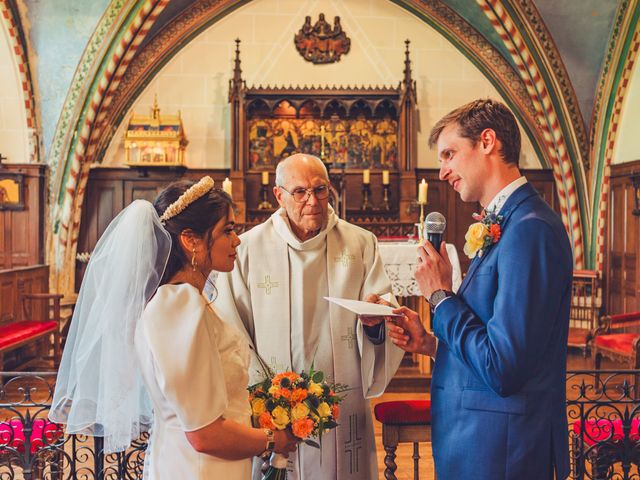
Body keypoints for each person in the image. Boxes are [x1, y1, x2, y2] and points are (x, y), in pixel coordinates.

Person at [50, 177, 297, 479]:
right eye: (228, 230)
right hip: (199, 467)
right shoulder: (178, 306)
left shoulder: (185, 299)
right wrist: (274, 440)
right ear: (191, 239)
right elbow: (205, 434)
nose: (237, 240)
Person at [387, 99, 573, 480]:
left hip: (501, 451)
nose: (443, 172)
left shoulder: (530, 229)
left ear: (487, 141)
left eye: (450, 154)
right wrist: (432, 345)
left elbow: (504, 368)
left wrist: (440, 298)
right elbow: (496, 343)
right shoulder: (512, 222)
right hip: (482, 444)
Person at [215, 153, 404, 480]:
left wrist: (375, 327)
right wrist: (264, 392)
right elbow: (231, 329)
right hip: (272, 400)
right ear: (279, 195)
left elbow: (383, 311)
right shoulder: (248, 249)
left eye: (319, 190)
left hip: (342, 399)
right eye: (300, 192)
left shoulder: (360, 244)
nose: (312, 201)